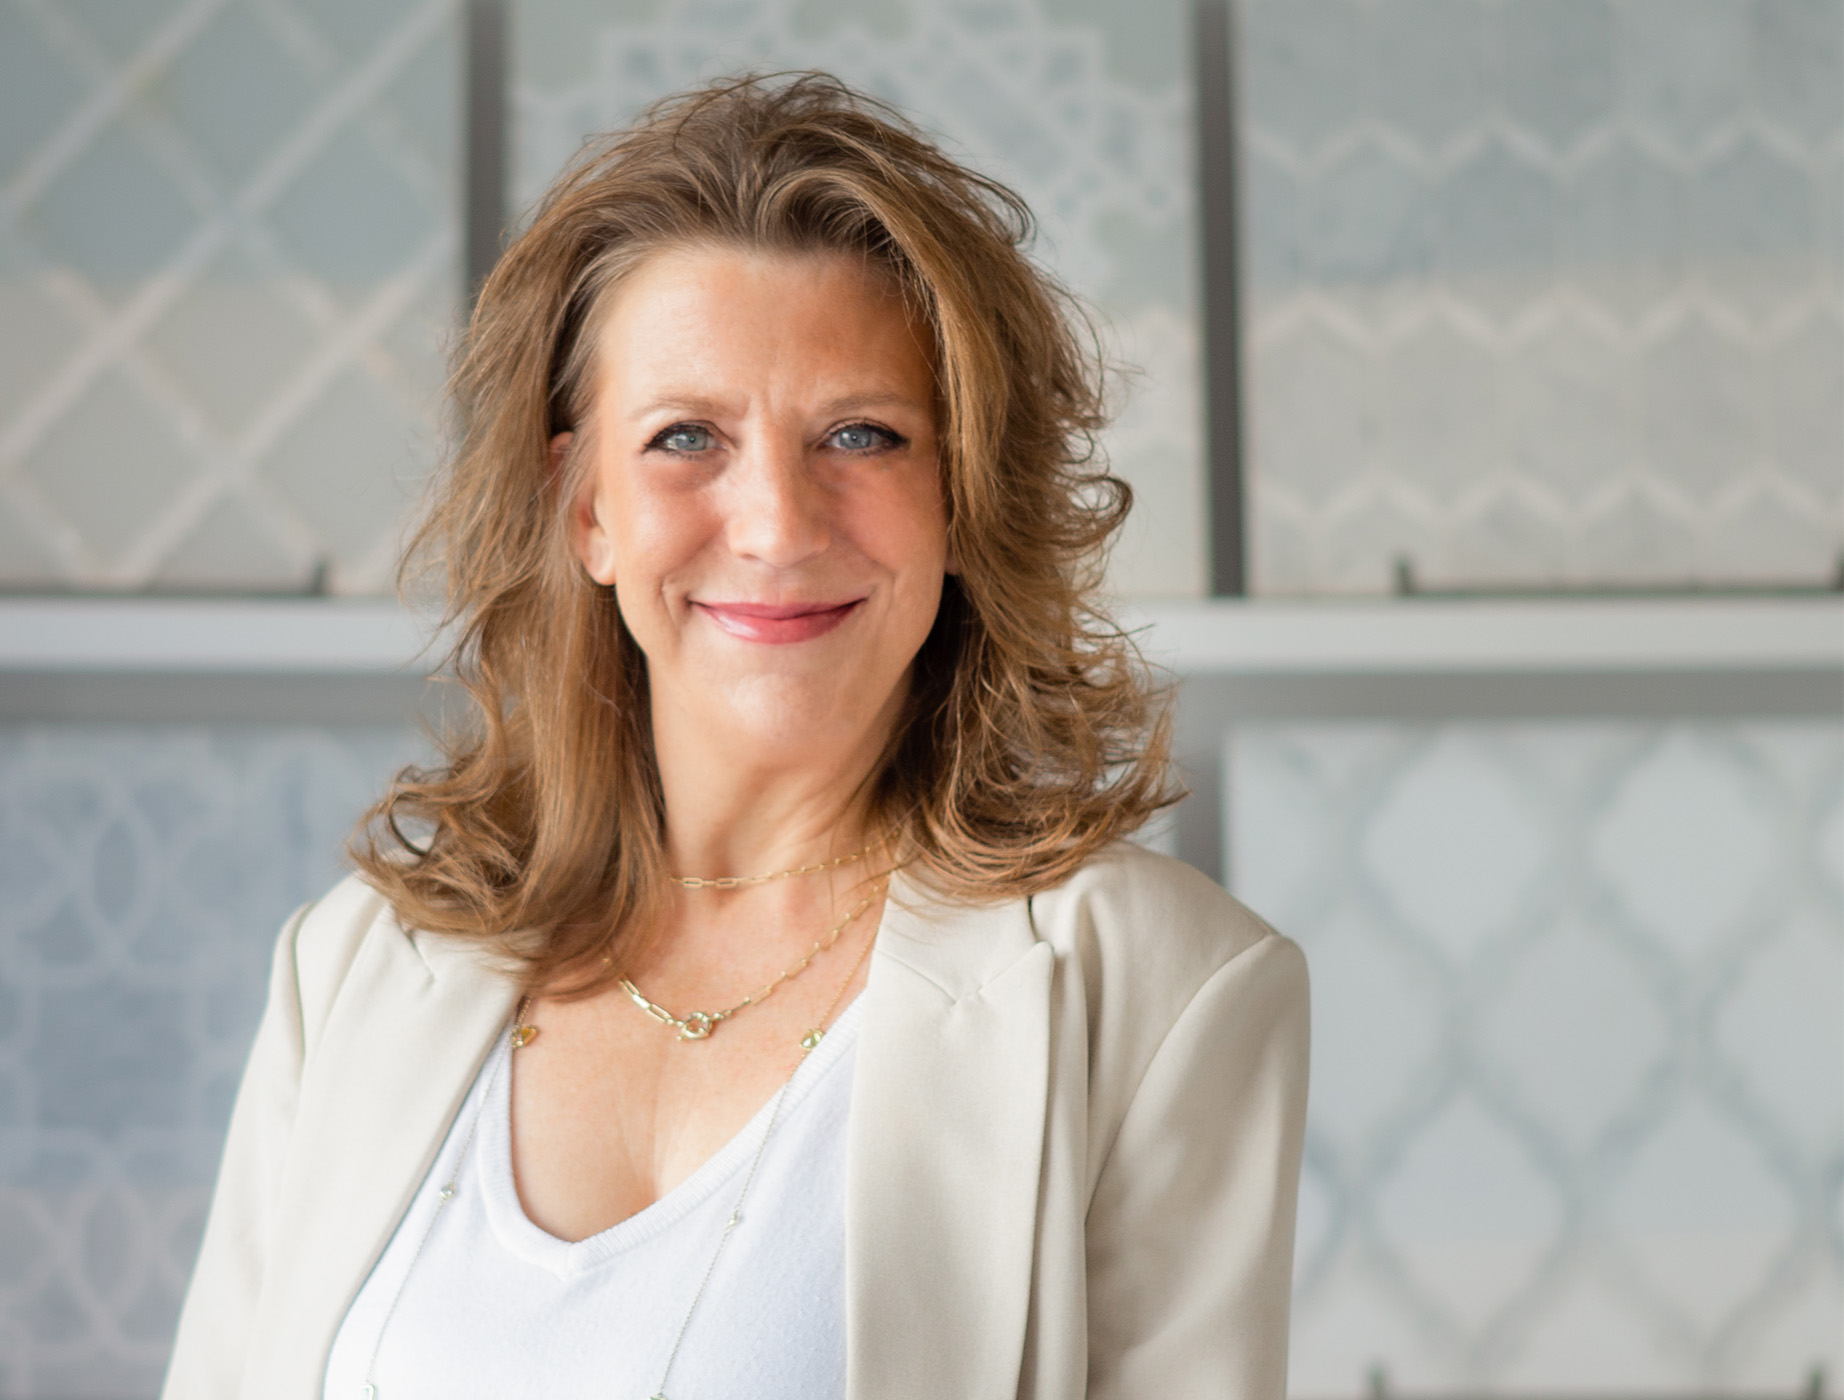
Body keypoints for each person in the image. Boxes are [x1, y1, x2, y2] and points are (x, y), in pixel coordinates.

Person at [164, 73, 1309, 1400]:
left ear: (961, 495)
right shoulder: (353, 972)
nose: (774, 522)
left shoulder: (1162, 993)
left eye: (862, 434)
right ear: (582, 505)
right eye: (686, 436)